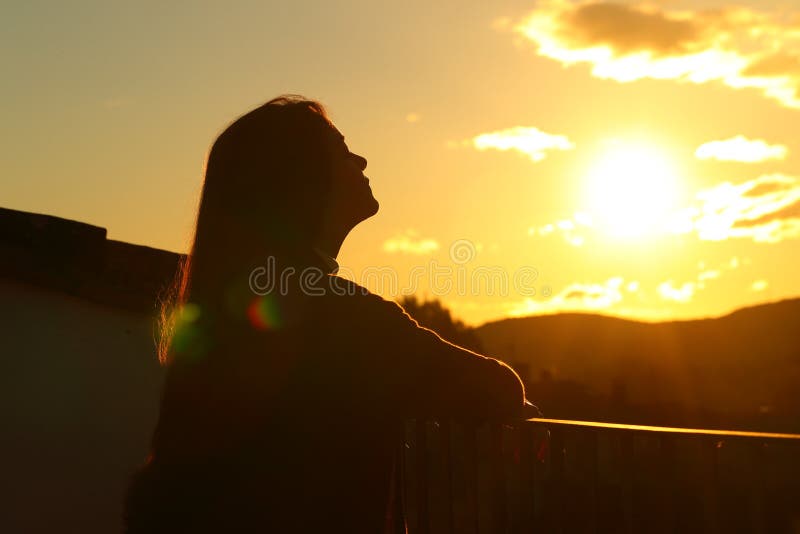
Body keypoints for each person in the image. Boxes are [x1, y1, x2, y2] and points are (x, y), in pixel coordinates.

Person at [123, 95, 528, 533]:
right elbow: (498, 387)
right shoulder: (344, 317)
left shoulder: (225, 305)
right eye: (341, 150)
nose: (361, 159)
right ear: (303, 181)